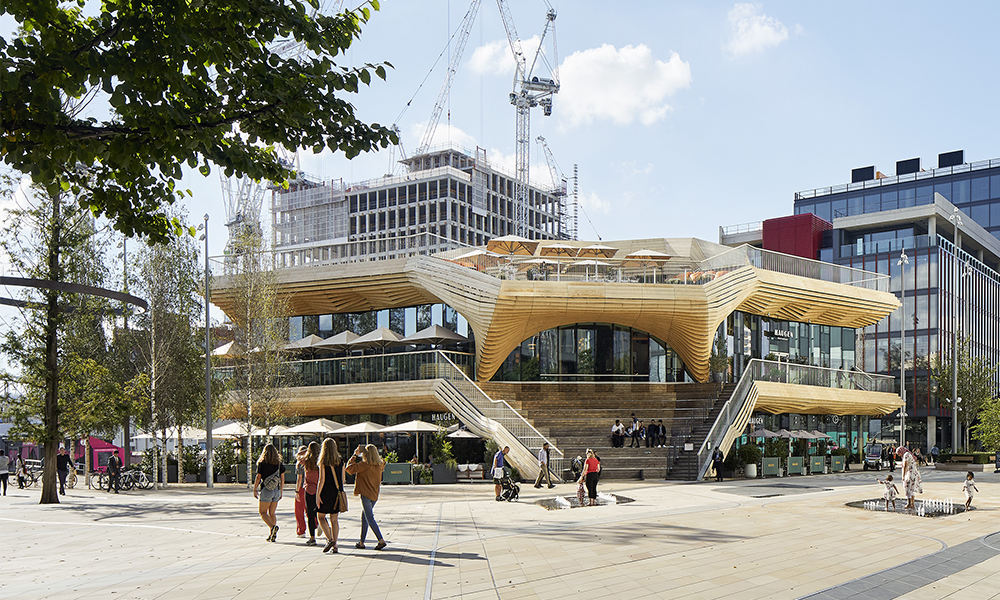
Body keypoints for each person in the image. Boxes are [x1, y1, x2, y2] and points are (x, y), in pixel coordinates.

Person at [346, 444, 387, 551]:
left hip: (365, 494)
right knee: (364, 516)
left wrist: (354, 455)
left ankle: (381, 540)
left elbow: (349, 469)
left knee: (369, 517)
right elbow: (382, 464)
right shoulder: (380, 464)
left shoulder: (364, 465)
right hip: (374, 494)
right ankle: (361, 542)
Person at [315, 439, 345, 553]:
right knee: (334, 519)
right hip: (336, 493)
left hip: (325, 492)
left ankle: (330, 539)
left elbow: (321, 480)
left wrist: (318, 494)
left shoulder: (323, 461)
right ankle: (335, 545)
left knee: (321, 517)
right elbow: (342, 479)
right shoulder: (340, 461)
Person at [253, 443, 285, 542]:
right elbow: (282, 479)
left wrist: (255, 489)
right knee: (272, 513)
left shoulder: (262, 463)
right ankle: (272, 535)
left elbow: (258, 477)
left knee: (263, 512)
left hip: (266, 490)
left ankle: (272, 527)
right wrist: (281, 491)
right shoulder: (279, 464)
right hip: (276, 490)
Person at [300, 442, 321, 547]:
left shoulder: (306, 461)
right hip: (320, 489)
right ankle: (326, 529)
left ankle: (312, 538)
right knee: (320, 512)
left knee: (310, 514)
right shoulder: (320, 461)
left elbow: (298, 458)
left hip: (309, 489)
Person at [897, 445, 922, 510]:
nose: (899, 455)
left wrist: (903, 475)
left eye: (898, 453)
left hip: (910, 474)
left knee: (907, 488)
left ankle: (910, 504)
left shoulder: (906, 455)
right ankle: (911, 504)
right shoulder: (907, 454)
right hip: (913, 473)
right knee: (911, 489)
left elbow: (905, 465)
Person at [294, 445, 308, 538]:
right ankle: (317, 523)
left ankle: (301, 530)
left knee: (299, 509)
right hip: (311, 486)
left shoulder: (300, 463)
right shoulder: (312, 462)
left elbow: (299, 478)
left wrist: (297, 491)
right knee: (308, 508)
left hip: (302, 487)